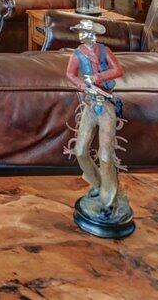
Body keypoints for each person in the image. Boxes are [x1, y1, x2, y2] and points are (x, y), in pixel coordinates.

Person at [66, 19, 126, 212]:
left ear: (93, 34)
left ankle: (109, 198)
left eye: (86, 32)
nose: (83, 35)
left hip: (105, 103)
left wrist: (98, 78)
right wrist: (83, 85)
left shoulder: (104, 51)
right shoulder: (77, 54)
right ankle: (98, 183)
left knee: (106, 155)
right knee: (81, 150)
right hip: (90, 104)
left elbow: (118, 70)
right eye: (81, 32)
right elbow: (70, 74)